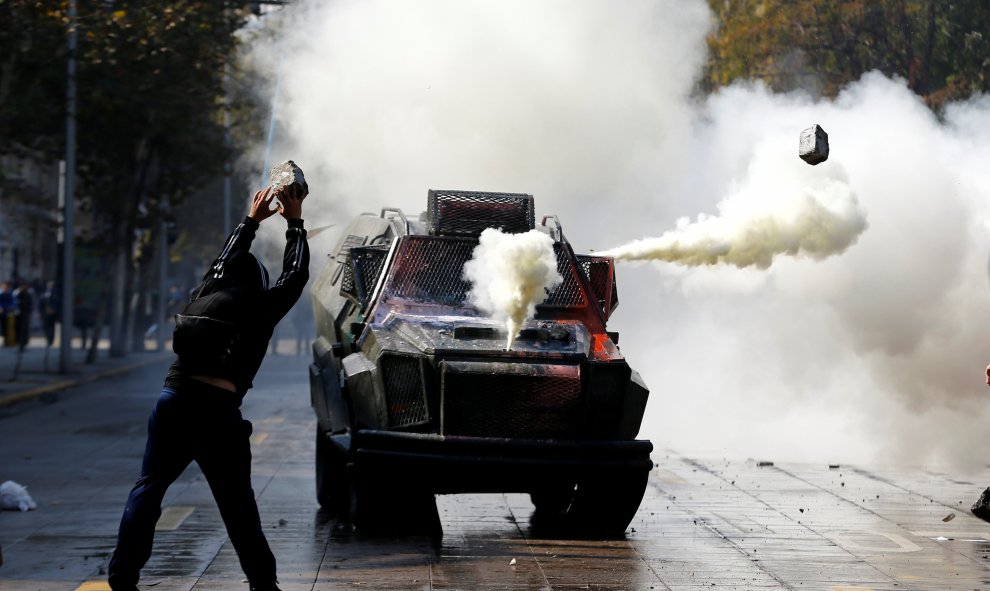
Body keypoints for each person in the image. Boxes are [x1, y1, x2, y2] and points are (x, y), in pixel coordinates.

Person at [107, 183, 310, 591]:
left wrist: (250, 221)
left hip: (174, 400)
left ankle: (122, 576)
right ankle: (263, 584)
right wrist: (295, 224)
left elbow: (223, 259)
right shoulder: (260, 307)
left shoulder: (204, 291)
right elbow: (295, 275)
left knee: (148, 488)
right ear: (257, 283)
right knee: (238, 507)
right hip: (218, 412)